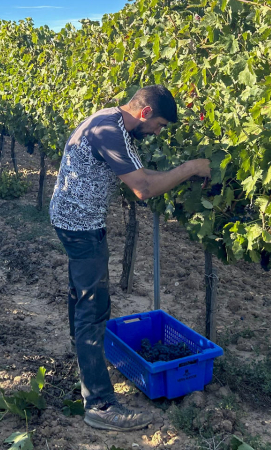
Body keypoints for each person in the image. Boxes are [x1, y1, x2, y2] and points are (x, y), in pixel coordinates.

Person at [49, 85, 211, 432]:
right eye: (161, 126)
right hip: (79, 225)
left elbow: (142, 178)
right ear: (146, 113)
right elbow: (144, 189)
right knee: (94, 309)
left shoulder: (112, 123)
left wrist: (182, 172)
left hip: (75, 219)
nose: (158, 133)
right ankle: (100, 404)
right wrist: (192, 167)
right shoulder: (110, 129)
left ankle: (85, 361)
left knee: (82, 296)